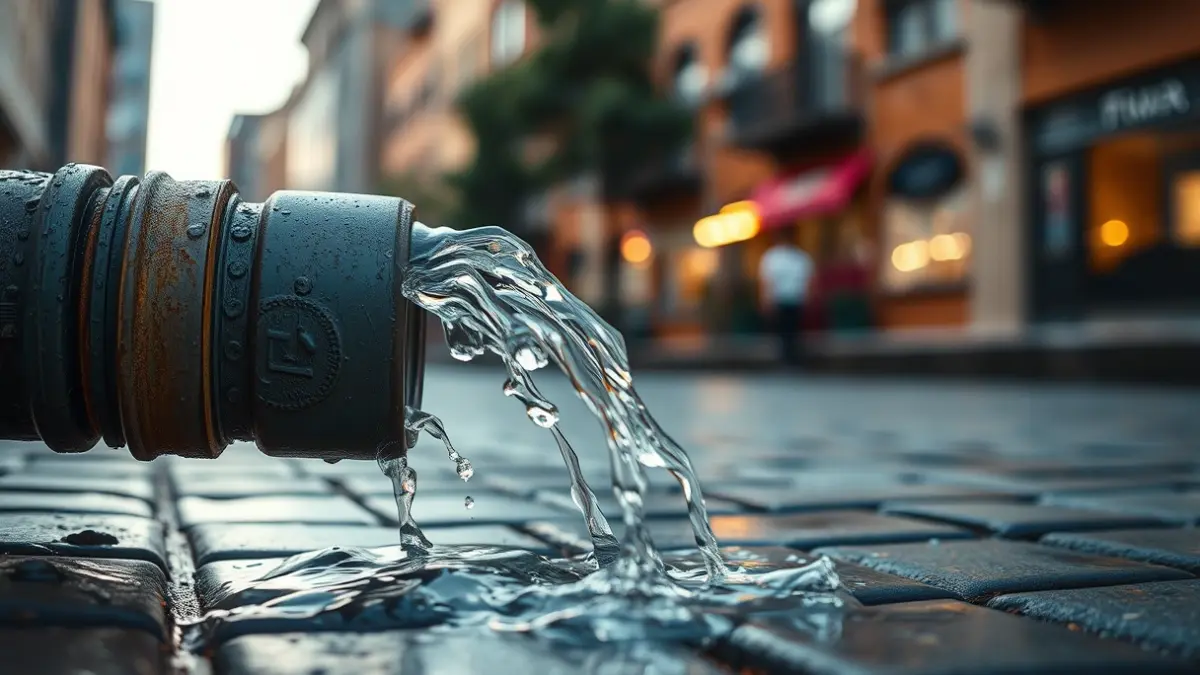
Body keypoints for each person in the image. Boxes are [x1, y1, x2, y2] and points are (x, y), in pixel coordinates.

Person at [757, 229, 814, 366]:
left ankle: (788, 358)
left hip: (790, 298)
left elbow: (767, 281)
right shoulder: (790, 257)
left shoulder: (774, 257)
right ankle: (787, 358)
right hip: (788, 298)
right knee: (787, 330)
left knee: (789, 330)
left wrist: (765, 299)